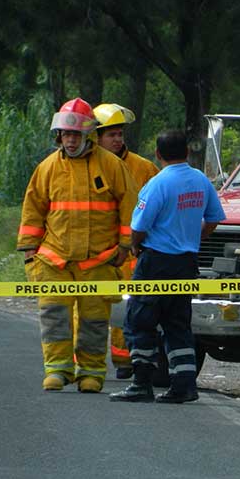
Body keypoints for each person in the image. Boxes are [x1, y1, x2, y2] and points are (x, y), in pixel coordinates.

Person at [17, 98, 137, 393]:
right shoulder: (46, 168)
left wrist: (125, 246)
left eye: (75, 135)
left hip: (99, 260)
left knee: (94, 321)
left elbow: (129, 206)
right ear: (59, 135)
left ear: (88, 135)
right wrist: (30, 250)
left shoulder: (111, 166)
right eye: (65, 135)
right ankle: (57, 369)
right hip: (54, 261)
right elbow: (33, 210)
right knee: (54, 317)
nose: (70, 141)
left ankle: (91, 373)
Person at [110, 129, 225, 403]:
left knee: (140, 321)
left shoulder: (157, 184)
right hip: (186, 263)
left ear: (158, 154)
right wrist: (196, 236)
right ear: (187, 152)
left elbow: (138, 226)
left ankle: (141, 383)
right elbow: (214, 218)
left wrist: (136, 246)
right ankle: (184, 385)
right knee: (177, 324)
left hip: (155, 263)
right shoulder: (201, 180)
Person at [93, 103, 159, 380]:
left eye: (120, 134)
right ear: (95, 137)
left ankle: (126, 361)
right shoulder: (86, 167)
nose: (118, 139)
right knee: (90, 308)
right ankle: (83, 363)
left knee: (130, 308)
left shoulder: (143, 168)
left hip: (132, 251)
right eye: (111, 134)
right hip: (96, 252)